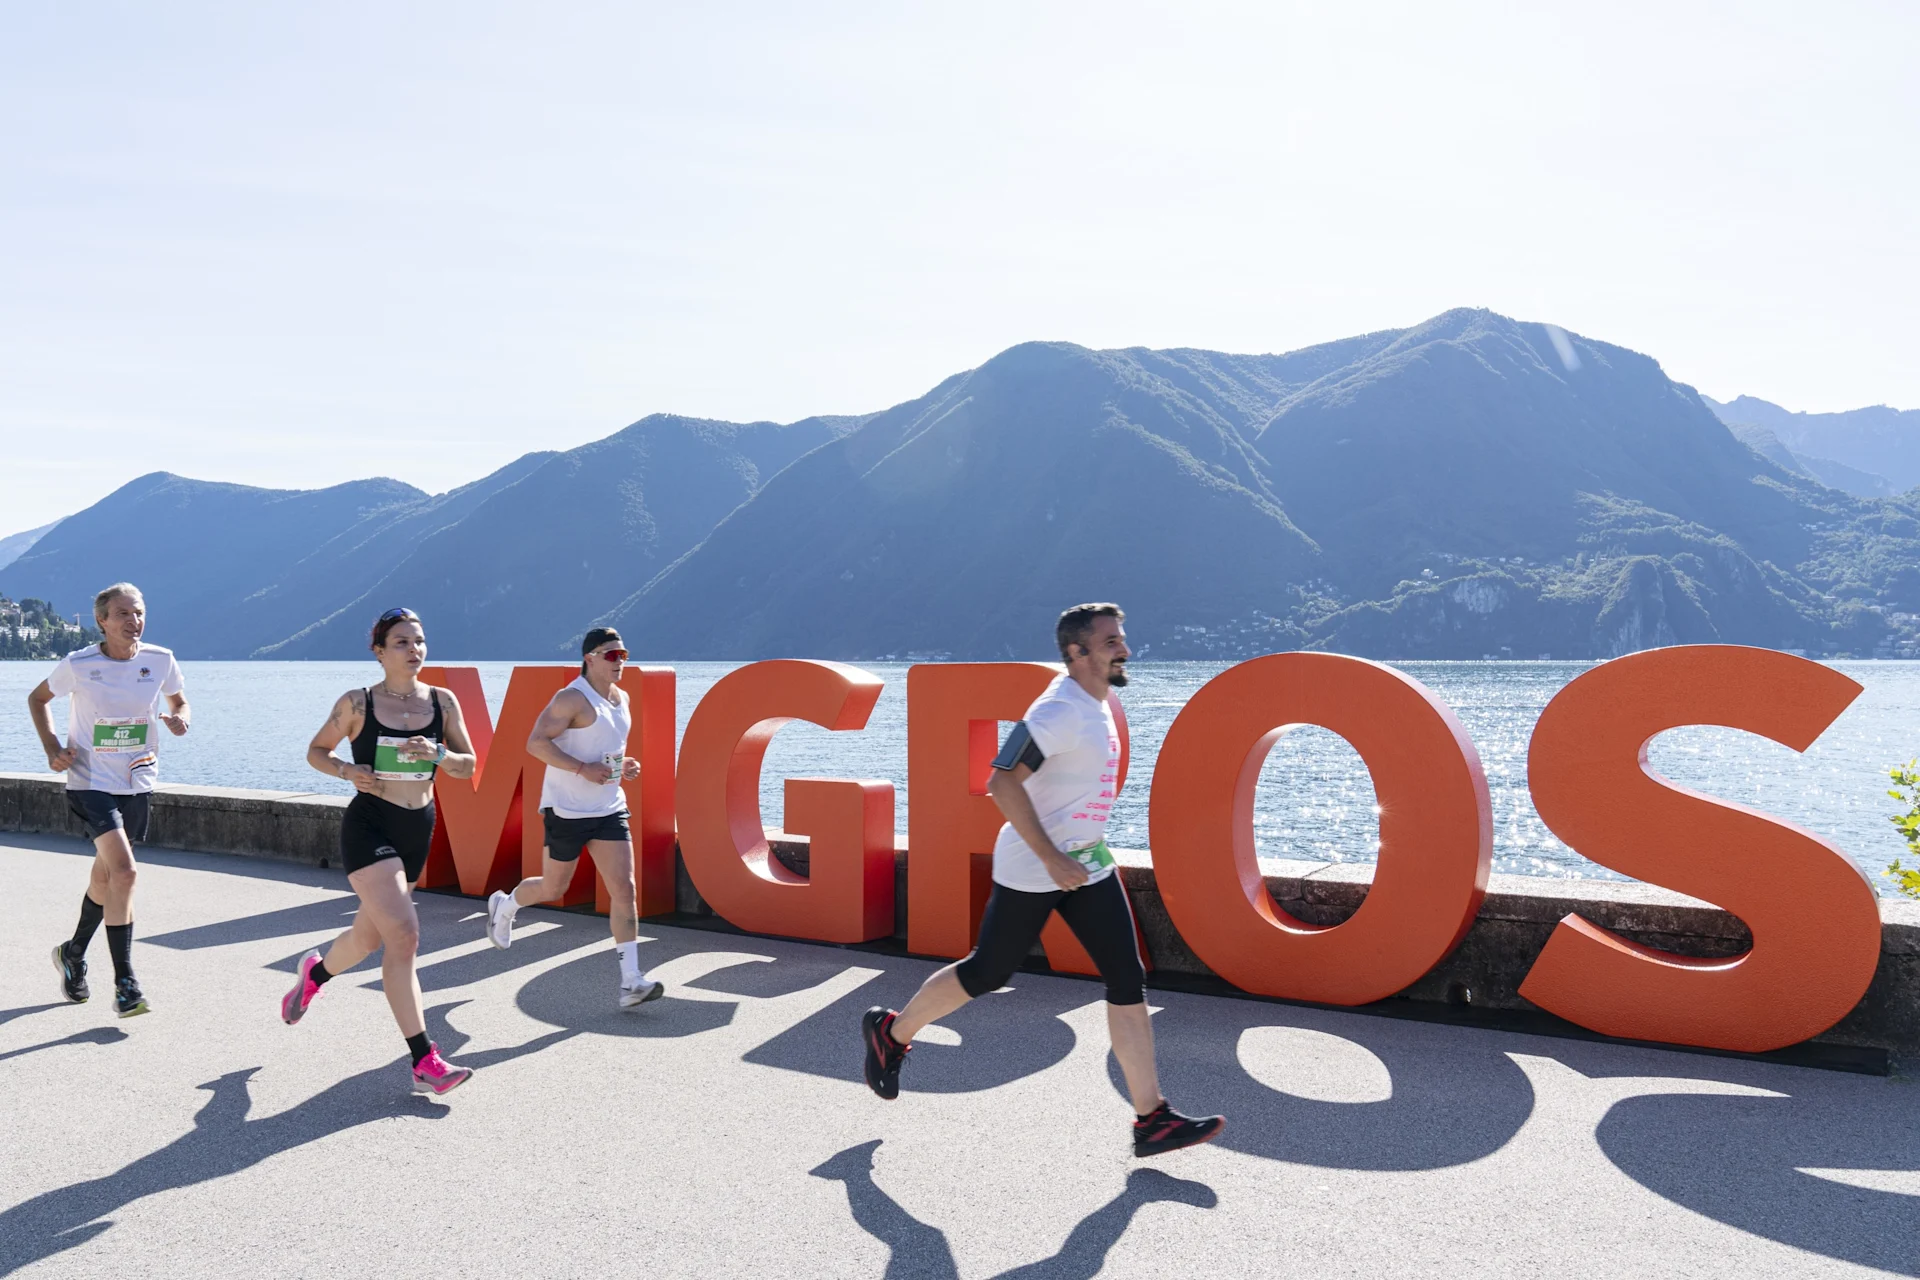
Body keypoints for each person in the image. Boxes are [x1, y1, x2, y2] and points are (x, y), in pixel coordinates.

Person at [860, 603, 1225, 1157]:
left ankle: (1152, 1119)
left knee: (1127, 977)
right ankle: (892, 1034)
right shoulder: (1058, 710)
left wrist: (1077, 852)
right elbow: (1002, 781)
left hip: (1086, 863)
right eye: (1109, 642)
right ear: (1077, 652)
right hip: (1036, 865)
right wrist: (1053, 857)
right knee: (987, 971)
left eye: (1121, 638)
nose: (1123, 647)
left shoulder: (1099, 702)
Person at [280, 607, 479, 1096]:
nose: (415, 650)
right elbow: (316, 751)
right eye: (402, 643)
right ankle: (424, 1059)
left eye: (420, 641)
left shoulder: (444, 703)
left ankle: (315, 974)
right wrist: (348, 772)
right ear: (379, 651)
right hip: (370, 825)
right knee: (405, 935)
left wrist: (437, 754)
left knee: (368, 938)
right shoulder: (357, 703)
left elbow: (467, 765)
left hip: (418, 826)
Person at [28, 583, 189, 1018]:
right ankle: (126, 983)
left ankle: (73, 952)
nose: (133, 621)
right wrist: (52, 748)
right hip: (89, 780)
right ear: (102, 620)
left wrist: (180, 719)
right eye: (122, 614)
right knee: (125, 871)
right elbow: (38, 698)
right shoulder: (79, 664)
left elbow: (180, 700)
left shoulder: (160, 659)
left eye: (138, 612)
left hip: (137, 780)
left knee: (107, 877)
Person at [484, 627, 665, 1009]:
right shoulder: (571, 698)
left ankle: (631, 981)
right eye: (611, 655)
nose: (620, 662)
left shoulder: (622, 698)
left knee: (625, 889)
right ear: (590, 658)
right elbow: (536, 743)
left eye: (624, 655)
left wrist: (621, 766)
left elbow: (606, 750)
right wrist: (583, 769)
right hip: (566, 809)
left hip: (608, 808)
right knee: (554, 888)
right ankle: (507, 904)